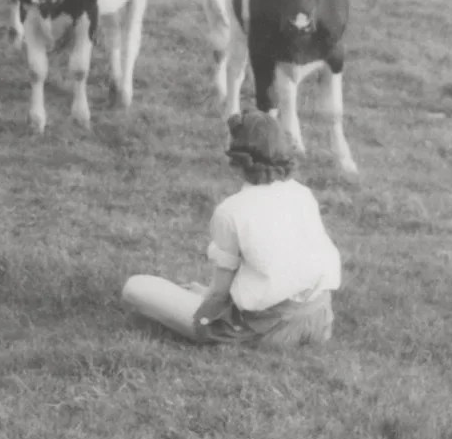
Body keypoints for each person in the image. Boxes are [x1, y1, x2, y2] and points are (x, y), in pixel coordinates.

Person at [121, 113, 341, 347]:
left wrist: (204, 306)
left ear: (236, 162)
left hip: (268, 329)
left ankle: (233, 330)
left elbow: (219, 294)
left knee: (135, 287)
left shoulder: (232, 210)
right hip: (318, 319)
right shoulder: (301, 193)